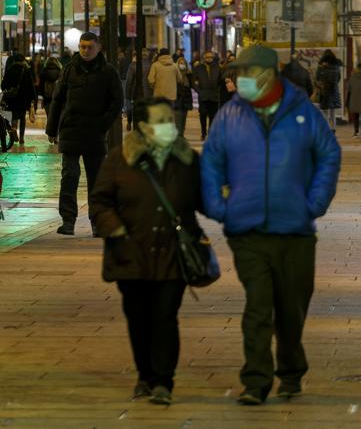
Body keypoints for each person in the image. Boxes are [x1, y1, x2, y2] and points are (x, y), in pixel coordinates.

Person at [202, 44, 341, 406]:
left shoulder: (302, 113)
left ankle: (292, 371)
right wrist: (220, 206)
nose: (238, 80)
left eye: (244, 74)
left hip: (294, 229)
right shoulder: (230, 115)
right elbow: (212, 160)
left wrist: (315, 202)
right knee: (259, 307)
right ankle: (256, 381)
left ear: (266, 76)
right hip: (247, 230)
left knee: (291, 309)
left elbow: (328, 154)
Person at [91, 96, 203, 406]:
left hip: (172, 254)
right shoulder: (119, 159)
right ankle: (144, 375)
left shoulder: (187, 159)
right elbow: (100, 201)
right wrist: (114, 228)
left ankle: (163, 380)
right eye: (162, 121)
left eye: (171, 120)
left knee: (165, 316)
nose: (170, 126)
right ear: (142, 127)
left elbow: (204, 200)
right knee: (138, 318)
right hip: (131, 253)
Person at [46, 32, 123, 236]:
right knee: (69, 176)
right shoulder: (70, 69)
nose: (85, 51)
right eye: (82, 47)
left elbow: (117, 102)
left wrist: (103, 124)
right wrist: (52, 129)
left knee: (96, 180)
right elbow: (57, 99)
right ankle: (68, 220)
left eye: (89, 47)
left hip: (94, 133)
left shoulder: (108, 72)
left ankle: (97, 222)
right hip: (71, 130)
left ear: (98, 48)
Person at [1, 53, 36, 146]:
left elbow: (3, 84)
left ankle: (13, 130)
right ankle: (21, 138)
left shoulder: (10, 70)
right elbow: (31, 86)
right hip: (24, 99)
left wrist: (8, 90)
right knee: (22, 117)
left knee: (14, 116)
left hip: (12, 98)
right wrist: (33, 98)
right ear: (23, 60)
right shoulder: (26, 70)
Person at [191, 50, 220, 140]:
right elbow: (193, 81)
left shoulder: (217, 67)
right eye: (207, 57)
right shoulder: (198, 67)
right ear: (204, 58)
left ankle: (211, 133)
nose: (209, 59)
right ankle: (203, 132)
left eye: (211, 57)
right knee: (203, 114)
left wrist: (218, 90)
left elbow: (220, 80)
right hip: (203, 95)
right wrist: (199, 91)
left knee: (213, 115)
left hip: (214, 95)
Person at [315, 50, 342, 132]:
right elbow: (338, 79)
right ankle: (333, 129)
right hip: (334, 91)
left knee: (325, 112)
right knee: (333, 113)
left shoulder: (321, 68)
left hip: (325, 91)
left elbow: (317, 79)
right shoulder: (337, 68)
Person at [346, 62, 361, 138]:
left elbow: (349, 90)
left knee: (355, 116)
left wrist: (347, 101)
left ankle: (356, 132)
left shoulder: (352, 78)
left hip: (354, 99)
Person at [174, 56, 193, 135]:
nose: (182, 64)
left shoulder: (189, 74)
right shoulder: (175, 73)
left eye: (183, 63)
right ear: (177, 64)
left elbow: (192, 84)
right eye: (180, 63)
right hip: (178, 97)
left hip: (186, 97)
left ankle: (181, 133)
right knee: (178, 117)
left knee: (184, 118)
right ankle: (178, 134)